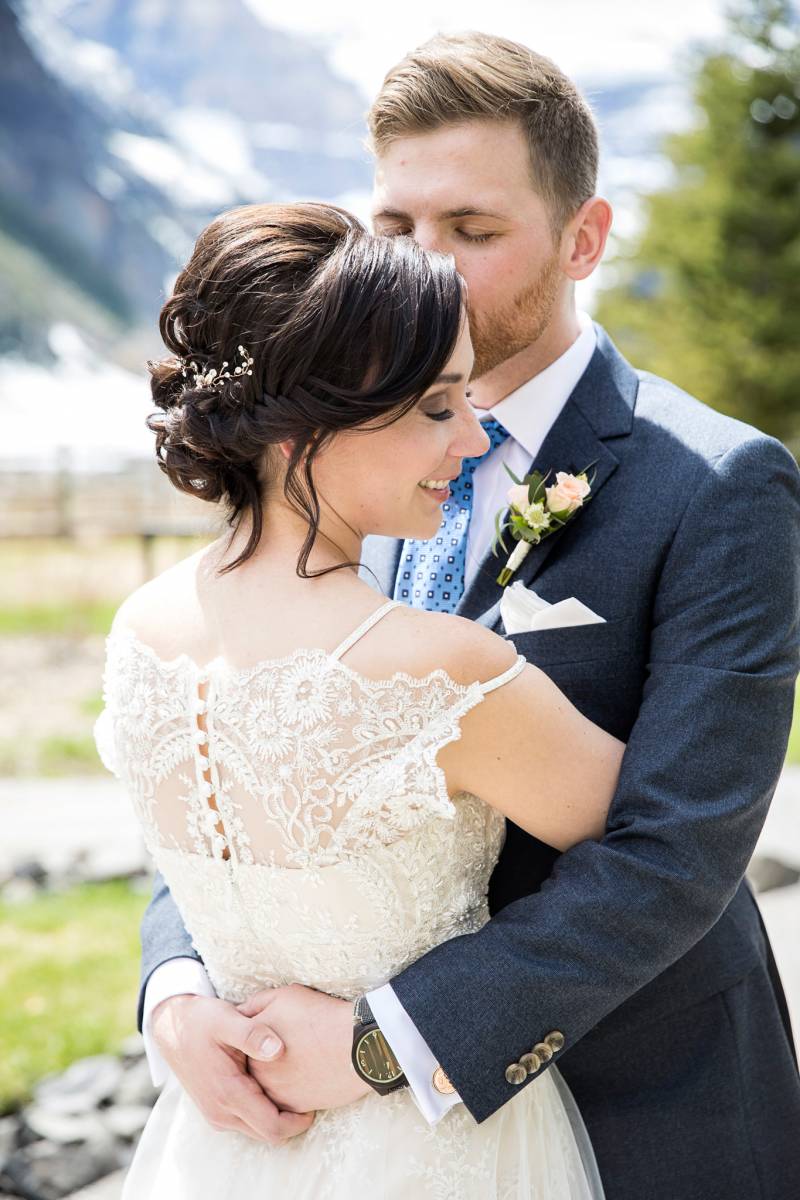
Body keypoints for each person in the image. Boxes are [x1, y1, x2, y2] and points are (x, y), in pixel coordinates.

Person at [130, 32, 800, 1200]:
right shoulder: (322, 459)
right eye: (397, 230)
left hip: (638, 1103)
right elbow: (233, 751)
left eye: (472, 232)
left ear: (581, 239)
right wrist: (177, 987)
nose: (425, 270)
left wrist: (387, 1042)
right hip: (310, 1131)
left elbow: (677, 848)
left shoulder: (719, 487)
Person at [95, 199, 622, 1197]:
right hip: (438, 1151)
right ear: (304, 428)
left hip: (226, 1145)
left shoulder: (139, 633)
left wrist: (174, 999)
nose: (471, 439)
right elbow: (662, 842)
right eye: (435, 406)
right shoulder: (437, 672)